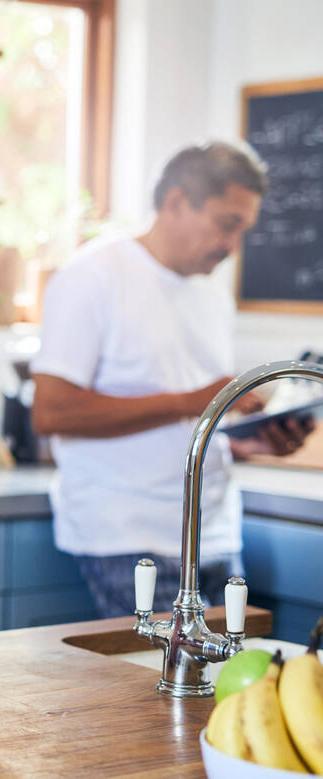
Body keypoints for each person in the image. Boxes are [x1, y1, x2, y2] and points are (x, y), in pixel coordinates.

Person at [31, 141, 313, 618]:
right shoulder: (93, 276)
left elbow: (189, 423)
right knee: (165, 669)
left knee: (233, 668)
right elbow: (52, 412)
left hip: (214, 534)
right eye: (226, 224)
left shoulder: (212, 292)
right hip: (128, 536)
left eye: (243, 230)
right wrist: (192, 401)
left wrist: (254, 441)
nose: (233, 246)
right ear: (177, 202)